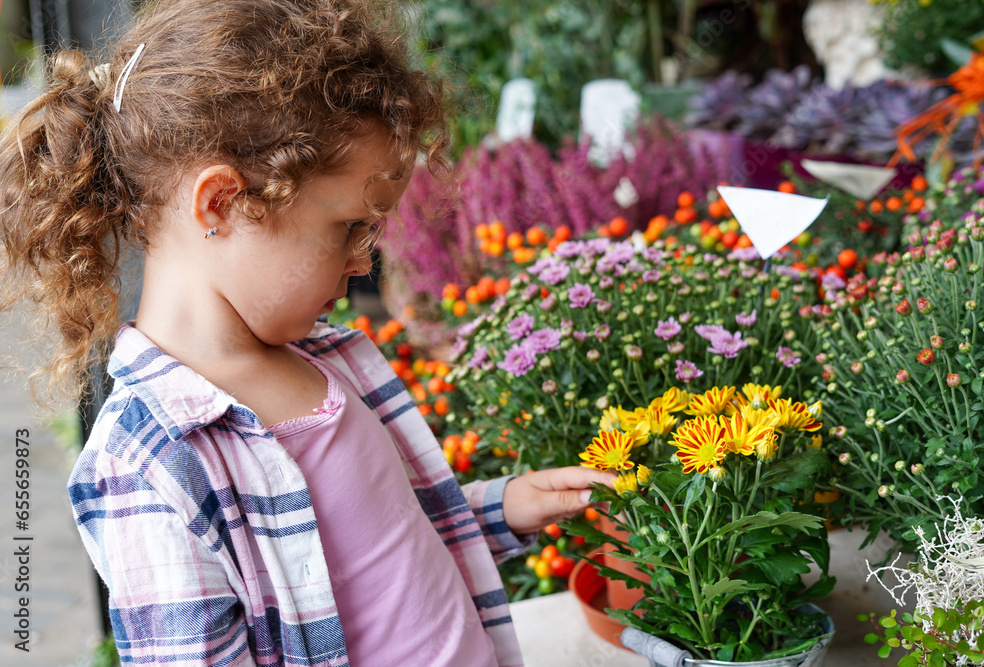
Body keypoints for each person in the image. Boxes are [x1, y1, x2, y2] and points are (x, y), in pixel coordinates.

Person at [0, 1, 615, 665]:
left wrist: (500, 509)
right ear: (223, 203)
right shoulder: (151, 462)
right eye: (349, 225)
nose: (364, 260)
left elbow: (374, 546)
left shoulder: (324, 358)